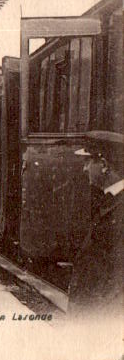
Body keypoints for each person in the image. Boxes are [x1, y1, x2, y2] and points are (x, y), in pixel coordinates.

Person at [68, 131, 124, 321]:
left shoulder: (119, 206)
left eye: (88, 162)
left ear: (104, 166)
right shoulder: (109, 199)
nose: (84, 169)